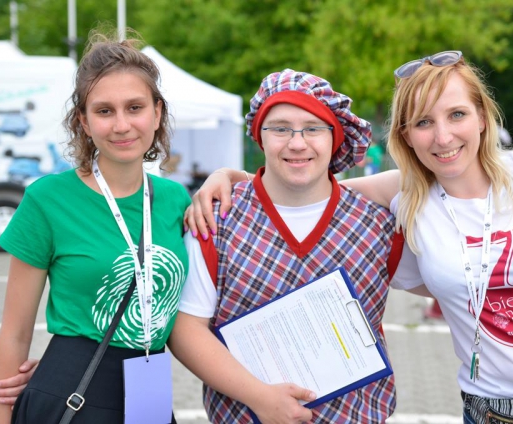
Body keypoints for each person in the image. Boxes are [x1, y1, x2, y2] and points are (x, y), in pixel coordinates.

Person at [188, 51, 513, 423]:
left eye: (457, 114)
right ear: (405, 134)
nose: (443, 136)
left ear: (482, 117)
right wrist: (230, 177)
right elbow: (307, 187)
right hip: (493, 410)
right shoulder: (404, 198)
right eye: (423, 122)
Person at [173, 68, 404, 423]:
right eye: (280, 128)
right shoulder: (216, 219)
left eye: (313, 128)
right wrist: (260, 397)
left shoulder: (378, 223)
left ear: (335, 137)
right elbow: (187, 329)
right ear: (259, 136)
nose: (297, 143)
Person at [0, 30, 191, 423]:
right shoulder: (48, 199)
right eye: (104, 111)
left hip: (149, 393)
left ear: (157, 113)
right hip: (73, 391)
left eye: (134, 107)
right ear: (83, 121)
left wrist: (227, 174)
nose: (121, 124)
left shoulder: (176, 200)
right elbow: (15, 334)